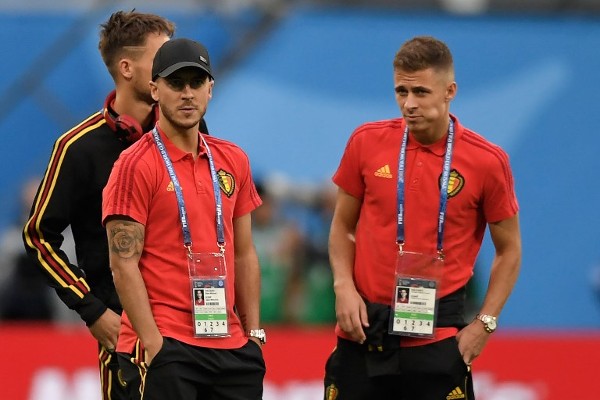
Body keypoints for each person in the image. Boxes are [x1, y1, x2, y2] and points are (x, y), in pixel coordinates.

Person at [323, 36, 521, 400]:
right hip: (363, 332)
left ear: (450, 91)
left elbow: (509, 250)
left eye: (421, 92)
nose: (409, 104)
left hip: (438, 337)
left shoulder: (487, 161)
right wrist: (343, 287)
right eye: (401, 91)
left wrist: (485, 323)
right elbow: (342, 227)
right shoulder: (365, 142)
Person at [20, 10, 200, 400]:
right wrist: (93, 311)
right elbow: (38, 237)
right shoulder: (77, 147)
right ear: (127, 68)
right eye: (161, 58)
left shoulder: (190, 130)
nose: (173, 68)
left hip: (199, 330)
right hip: (128, 339)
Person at [102, 38, 265, 400]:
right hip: (167, 344)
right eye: (176, 83)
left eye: (196, 82)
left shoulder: (234, 159)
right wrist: (153, 343)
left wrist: (253, 334)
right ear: (155, 90)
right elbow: (122, 263)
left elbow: (244, 253)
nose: (187, 93)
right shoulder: (134, 164)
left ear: (210, 89)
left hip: (231, 347)